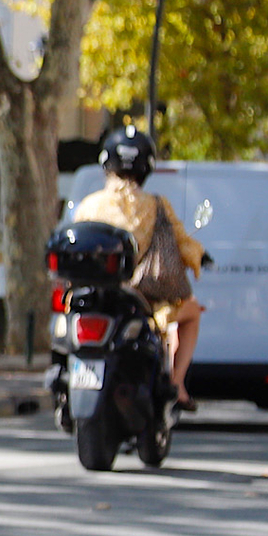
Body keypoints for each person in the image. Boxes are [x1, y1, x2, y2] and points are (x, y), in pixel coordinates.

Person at [69, 126, 205, 408]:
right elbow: (183, 244)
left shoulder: (89, 205)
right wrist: (198, 258)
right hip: (143, 299)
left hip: (92, 297)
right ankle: (177, 384)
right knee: (192, 311)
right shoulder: (157, 205)